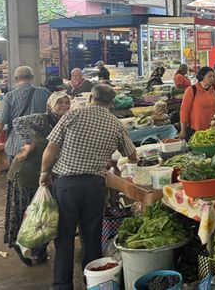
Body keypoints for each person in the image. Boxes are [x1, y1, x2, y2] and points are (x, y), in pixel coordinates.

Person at [39, 84, 138, 290]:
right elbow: (132, 154)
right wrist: (116, 164)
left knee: (64, 237)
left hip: (66, 185)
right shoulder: (115, 123)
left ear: (91, 97)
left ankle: (62, 285)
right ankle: (92, 280)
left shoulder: (72, 115)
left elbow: (52, 147)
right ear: (111, 103)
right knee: (92, 235)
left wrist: (44, 173)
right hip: (94, 186)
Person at [4, 92, 70, 267]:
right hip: (27, 172)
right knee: (30, 212)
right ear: (50, 105)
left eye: (66, 102)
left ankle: (37, 250)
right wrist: (29, 141)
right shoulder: (43, 119)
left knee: (44, 213)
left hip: (44, 174)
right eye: (59, 103)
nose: (64, 105)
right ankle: (26, 245)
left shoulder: (64, 122)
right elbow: (18, 122)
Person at [0, 66, 52, 163]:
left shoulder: (10, 96)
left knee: (17, 176)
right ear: (32, 77)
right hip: (41, 143)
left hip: (17, 144)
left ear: (16, 79)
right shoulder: (45, 92)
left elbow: (1, 121)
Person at [179, 67, 215, 139]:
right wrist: (183, 130)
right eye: (209, 76)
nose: (212, 78)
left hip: (214, 129)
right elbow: (184, 111)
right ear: (202, 76)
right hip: (197, 130)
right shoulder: (192, 90)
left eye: (214, 76)